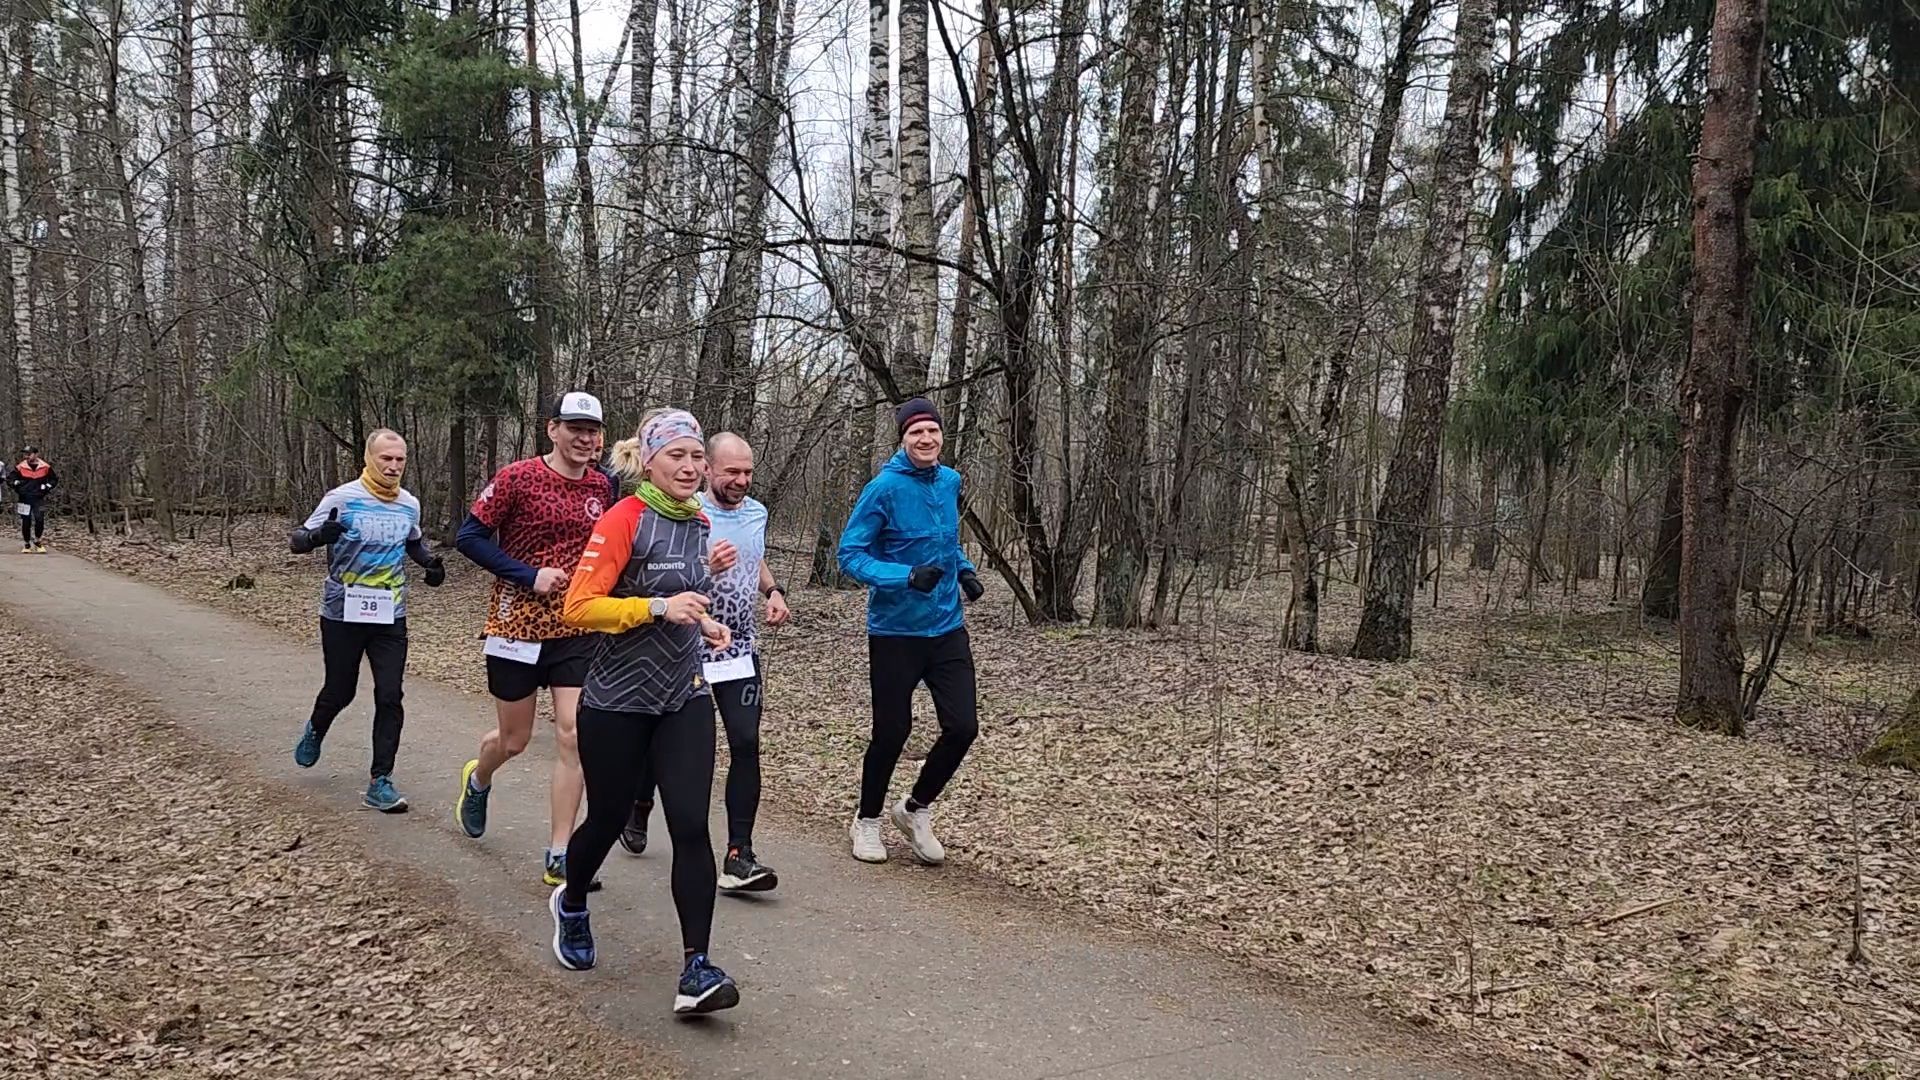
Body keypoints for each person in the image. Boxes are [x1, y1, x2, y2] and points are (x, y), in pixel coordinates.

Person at [551, 407, 741, 1015]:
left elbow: (684, 593)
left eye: (695, 458)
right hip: (616, 703)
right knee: (605, 819)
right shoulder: (622, 517)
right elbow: (579, 608)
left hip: (682, 696)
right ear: (650, 461)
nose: (689, 467)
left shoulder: (699, 521)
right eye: (676, 456)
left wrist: (705, 621)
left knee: (689, 825)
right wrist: (657, 609)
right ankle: (572, 900)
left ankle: (697, 969)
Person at [453, 392, 619, 888]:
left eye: (592, 431)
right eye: (574, 428)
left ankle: (560, 853)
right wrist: (527, 574)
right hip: (516, 625)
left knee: (574, 733)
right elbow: (469, 537)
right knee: (514, 740)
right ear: (552, 429)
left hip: (576, 626)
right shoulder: (517, 478)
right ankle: (478, 779)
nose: (584, 439)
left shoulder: (603, 486)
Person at [620, 431, 791, 894]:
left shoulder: (757, 512)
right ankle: (639, 803)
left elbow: (754, 561)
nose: (741, 481)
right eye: (731, 472)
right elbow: (663, 574)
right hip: (687, 644)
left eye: (748, 472)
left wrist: (772, 592)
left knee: (746, 741)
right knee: (671, 743)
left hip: (739, 649)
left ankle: (739, 855)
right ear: (709, 471)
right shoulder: (687, 513)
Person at [836, 397, 984, 866]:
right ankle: (868, 821)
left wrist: (964, 570)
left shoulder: (949, 481)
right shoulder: (882, 488)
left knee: (963, 727)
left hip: (946, 626)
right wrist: (903, 576)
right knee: (892, 731)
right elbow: (850, 555)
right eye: (916, 432)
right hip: (895, 630)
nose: (926, 439)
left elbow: (944, 539)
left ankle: (915, 809)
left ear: (942, 436)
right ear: (903, 438)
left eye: (933, 431)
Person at [289, 428, 445, 812]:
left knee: (390, 695)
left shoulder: (409, 504)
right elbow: (296, 540)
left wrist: (429, 563)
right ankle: (316, 728)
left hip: (390, 612)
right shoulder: (343, 498)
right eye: (385, 459)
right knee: (340, 690)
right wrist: (318, 537)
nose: (393, 466)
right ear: (369, 458)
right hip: (343, 611)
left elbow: (412, 541)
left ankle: (381, 780)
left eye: (400, 460)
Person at [7, 446, 58, 553]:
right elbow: (10, 479)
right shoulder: (20, 467)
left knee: (40, 519)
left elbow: (54, 479)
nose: (26, 456)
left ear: (36, 454)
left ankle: (37, 541)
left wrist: (48, 486)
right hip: (24, 498)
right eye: (25, 454)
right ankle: (26, 544)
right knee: (26, 521)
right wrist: (16, 484)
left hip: (39, 497)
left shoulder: (45, 467)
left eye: (29, 454)